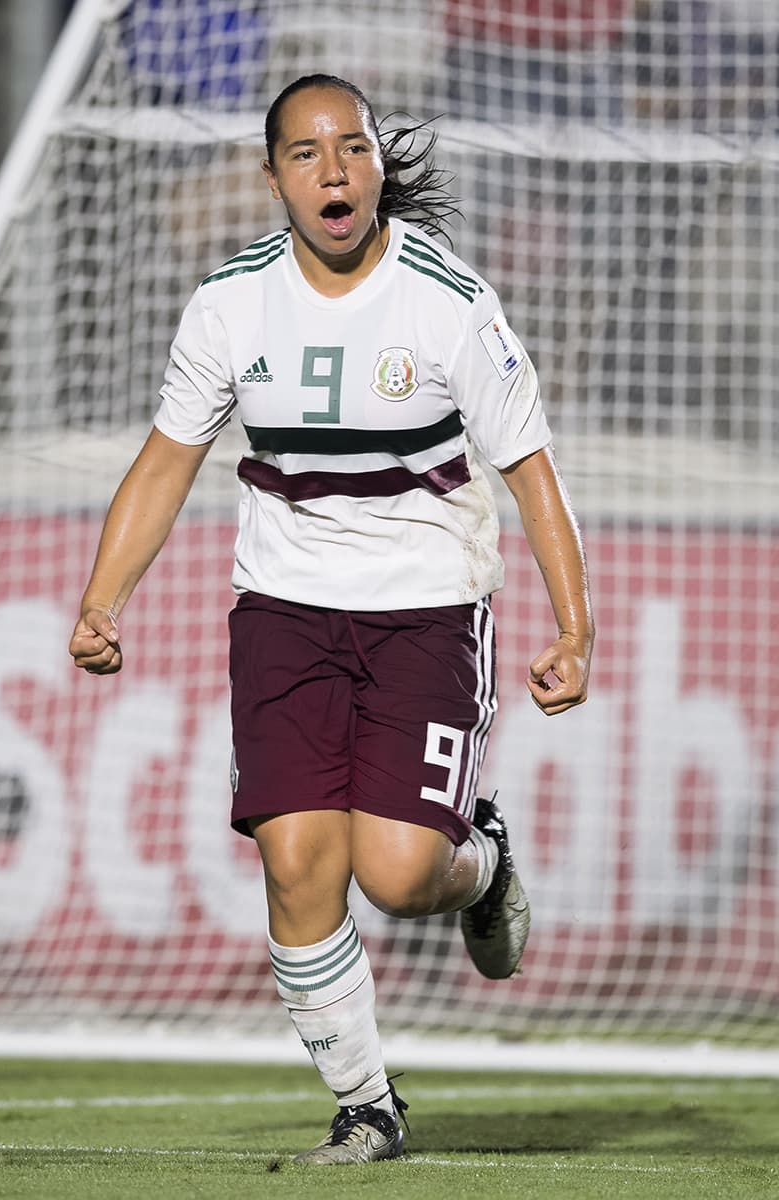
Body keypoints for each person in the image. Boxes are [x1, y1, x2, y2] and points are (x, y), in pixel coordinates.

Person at [68, 73, 594, 1165]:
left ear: (376, 164)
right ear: (273, 180)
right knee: (297, 860)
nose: (333, 170)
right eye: (304, 154)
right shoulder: (230, 302)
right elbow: (167, 459)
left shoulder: (448, 301)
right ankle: (366, 1105)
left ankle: (483, 862)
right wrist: (101, 600)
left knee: (399, 875)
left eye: (350, 146)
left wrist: (573, 627)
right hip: (285, 614)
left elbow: (530, 469)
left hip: (425, 613)